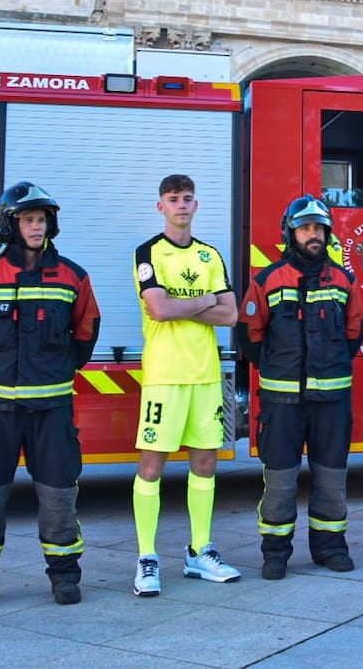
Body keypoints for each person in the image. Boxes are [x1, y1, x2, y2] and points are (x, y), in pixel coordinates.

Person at [0, 181, 101, 611]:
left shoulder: (73, 276)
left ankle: (64, 576)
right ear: (10, 225)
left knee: (58, 498)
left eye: (42, 220)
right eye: (28, 220)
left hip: (50, 410)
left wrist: (56, 374)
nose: (36, 227)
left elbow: (85, 331)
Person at [237, 195, 363, 580]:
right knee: (279, 479)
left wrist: (330, 369)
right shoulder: (267, 280)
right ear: (290, 233)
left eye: (319, 228)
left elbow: (354, 332)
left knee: (331, 477)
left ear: (327, 234)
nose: (313, 235)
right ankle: (275, 551)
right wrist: (278, 369)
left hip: (332, 400)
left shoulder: (344, 281)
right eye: (305, 228)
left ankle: (330, 547)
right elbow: (250, 336)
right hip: (281, 400)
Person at [131, 174, 241, 596]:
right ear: (160, 206)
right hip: (164, 375)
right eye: (173, 199)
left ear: (196, 205)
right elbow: (157, 309)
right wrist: (204, 301)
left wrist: (184, 306)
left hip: (205, 375)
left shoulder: (210, 255)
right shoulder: (149, 252)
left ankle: (199, 551)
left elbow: (230, 315)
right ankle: (146, 557)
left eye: (188, 198)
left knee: (207, 463)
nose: (181, 205)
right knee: (152, 465)